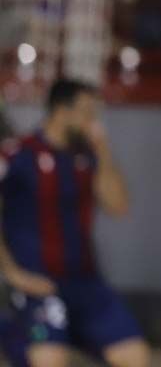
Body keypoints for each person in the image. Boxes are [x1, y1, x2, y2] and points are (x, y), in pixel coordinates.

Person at [0, 80, 148, 367]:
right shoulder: (18, 155)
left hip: (85, 282)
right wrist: (12, 273)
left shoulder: (87, 156)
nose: (92, 120)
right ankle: (14, 333)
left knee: (134, 356)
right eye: (87, 112)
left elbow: (118, 206)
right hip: (39, 285)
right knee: (51, 360)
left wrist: (104, 152)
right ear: (61, 111)